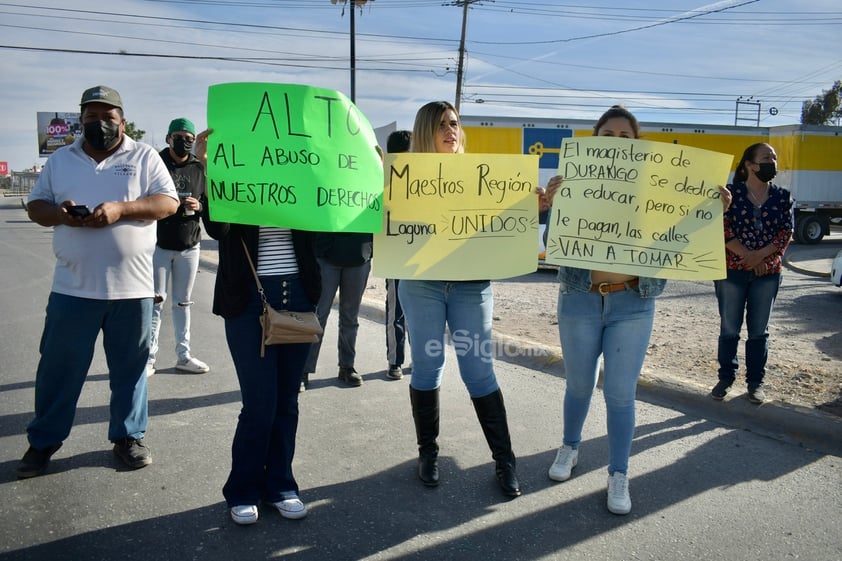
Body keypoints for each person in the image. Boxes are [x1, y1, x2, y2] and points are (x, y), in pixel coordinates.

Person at [541, 105, 731, 515]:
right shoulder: (571, 181)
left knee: (621, 394)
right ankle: (569, 449)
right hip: (579, 297)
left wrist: (712, 210)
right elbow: (555, 241)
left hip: (633, 302)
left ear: (636, 143)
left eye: (624, 137)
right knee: (578, 385)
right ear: (595, 141)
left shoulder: (659, 188)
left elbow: (682, 236)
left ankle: (619, 472)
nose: (615, 142)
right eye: (607, 135)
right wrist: (552, 205)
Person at [17, 85, 179, 478]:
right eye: (92, 117)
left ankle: (128, 438)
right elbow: (36, 206)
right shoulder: (61, 159)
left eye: (109, 117)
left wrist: (121, 210)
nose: (100, 124)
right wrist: (61, 213)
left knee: (131, 370)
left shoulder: (143, 157)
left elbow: (168, 203)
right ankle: (43, 442)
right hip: (72, 288)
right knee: (58, 370)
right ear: (81, 121)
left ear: (122, 122)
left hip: (134, 289)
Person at [197, 128, 321, 526]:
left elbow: (334, 217)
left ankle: (282, 485)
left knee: (287, 400)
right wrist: (208, 166)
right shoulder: (233, 177)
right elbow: (217, 229)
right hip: (249, 298)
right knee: (260, 403)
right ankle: (243, 489)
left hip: (298, 297)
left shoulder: (305, 177)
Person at [399, 101, 521, 498]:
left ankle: (505, 462)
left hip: (471, 287)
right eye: (441, 125)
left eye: (454, 123)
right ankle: (428, 453)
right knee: (427, 366)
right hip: (422, 285)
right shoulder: (402, 178)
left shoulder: (483, 176)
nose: (451, 130)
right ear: (424, 132)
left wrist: (529, 205)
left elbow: (505, 225)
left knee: (479, 370)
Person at [711, 143, 793, 404]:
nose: (773, 162)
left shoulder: (783, 197)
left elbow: (785, 233)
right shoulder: (730, 194)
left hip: (767, 274)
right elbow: (721, 227)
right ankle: (726, 377)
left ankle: (755, 383)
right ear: (750, 165)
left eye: (775, 158)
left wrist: (760, 256)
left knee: (759, 331)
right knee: (729, 328)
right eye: (767, 157)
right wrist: (748, 255)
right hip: (732, 273)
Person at [147, 117, 210, 377]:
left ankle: (183, 356)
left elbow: (209, 200)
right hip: (158, 245)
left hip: (189, 246)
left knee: (183, 303)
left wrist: (200, 206)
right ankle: (148, 359)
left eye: (189, 138)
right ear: (168, 138)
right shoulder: (156, 163)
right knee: (155, 303)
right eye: (179, 137)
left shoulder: (199, 168)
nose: (184, 141)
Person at [302, 231, 373, 389]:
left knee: (350, 317)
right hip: (326, 252)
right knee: (318, 316)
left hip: (359, 252)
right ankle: (303, 370)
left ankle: (347, 366)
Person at [384, 129, 412, 380]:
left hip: (424, 257)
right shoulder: (382, 181)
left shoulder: (429, 179)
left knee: (423, 312)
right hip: (395, 256)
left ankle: (420, 359)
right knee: (396, 311)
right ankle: (395, 361)